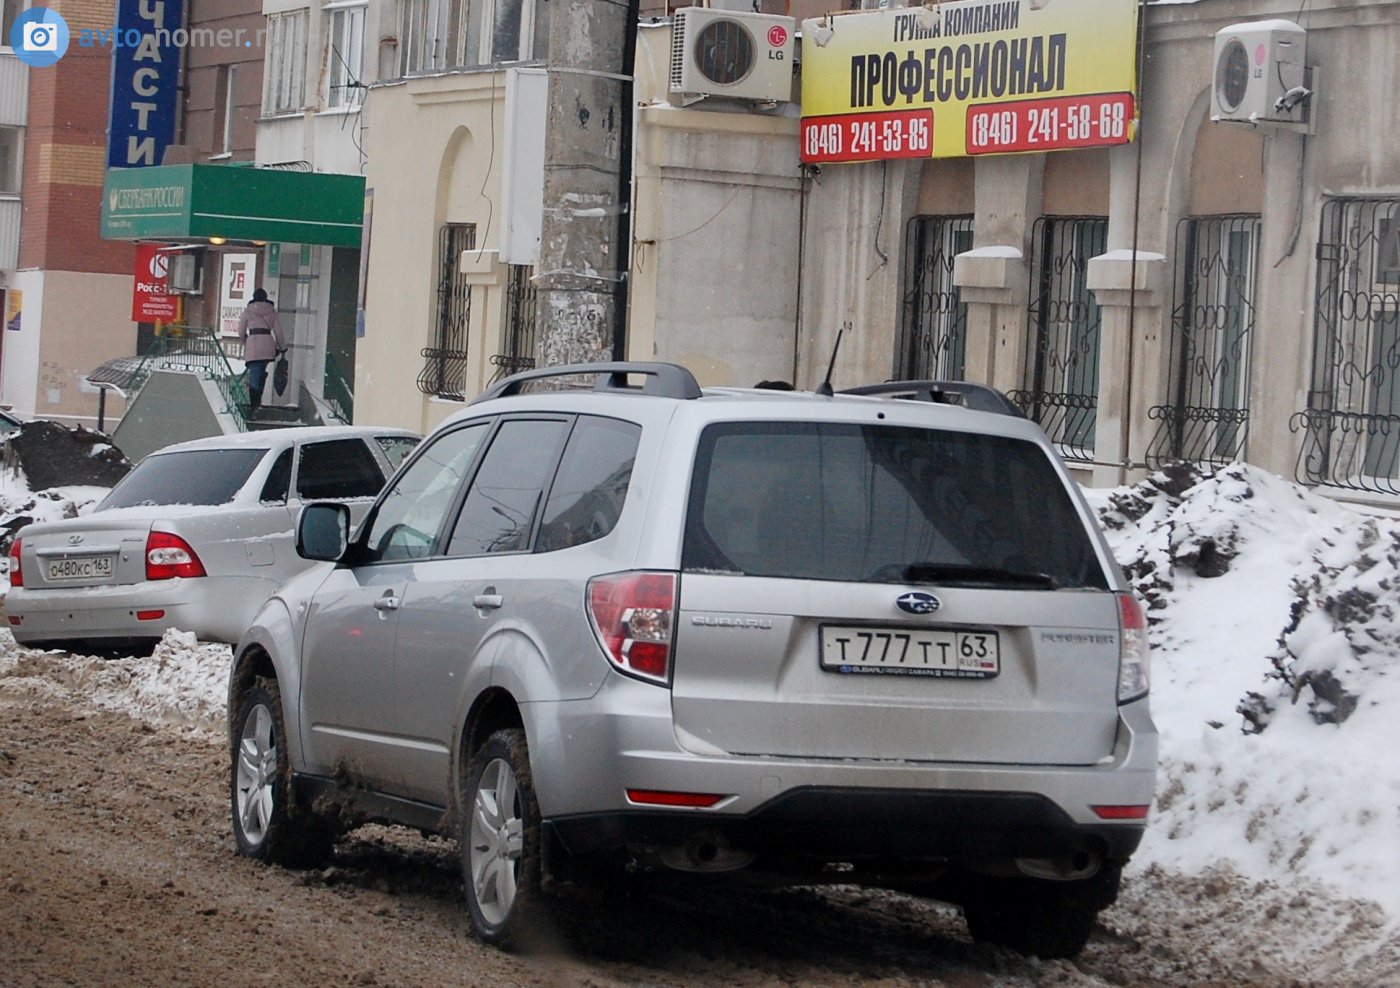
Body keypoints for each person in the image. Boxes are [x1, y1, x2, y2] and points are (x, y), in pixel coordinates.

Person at [236, 287, 286, 414]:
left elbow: (241, 331)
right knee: (261, 370)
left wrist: (244, 340)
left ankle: (254, 405)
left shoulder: (248, 311)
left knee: (254, 374)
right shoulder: (272, 312)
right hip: (268, 344)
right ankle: (258, 398)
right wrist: (282, 347)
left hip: (253, 345)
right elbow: (278, 332)